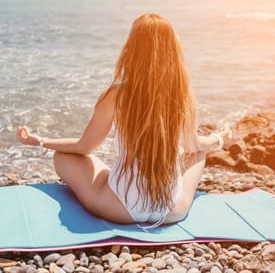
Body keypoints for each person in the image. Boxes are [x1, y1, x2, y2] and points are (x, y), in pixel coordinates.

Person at [16, 13, 233, 227]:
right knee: (197, 153)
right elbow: (191, 144)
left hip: (118, 208)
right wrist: (219, 140)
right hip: (170, 210)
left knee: (63, 157)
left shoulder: (116, 95)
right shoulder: (182, 94)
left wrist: (41, 141)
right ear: (172, 50)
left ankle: (119, 181)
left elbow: (84, 147)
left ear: (131, 50)